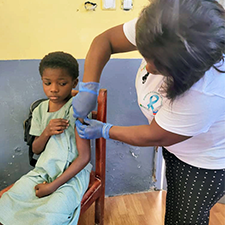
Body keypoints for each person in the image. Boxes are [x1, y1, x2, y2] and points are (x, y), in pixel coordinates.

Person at [72, 0, 225, 224]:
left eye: (159, 65)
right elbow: (104, 41)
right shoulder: (163, 26)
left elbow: (156, 134)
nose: (149, 68)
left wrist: (106, 130)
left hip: (203, 163)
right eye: (145, 55)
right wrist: (89, 87)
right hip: (175, 147)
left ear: (187, 69)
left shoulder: (207, 93)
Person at [0, 51, 92, 225]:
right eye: (47, 83)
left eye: (62, 83)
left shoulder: (77, 109)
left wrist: (52, 186)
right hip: (43, 171)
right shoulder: (40, 110)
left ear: (74, 83)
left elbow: (84, 157)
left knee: (49, 217)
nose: (54, 89)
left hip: (72, 175)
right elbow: (36, 149)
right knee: (7, 202)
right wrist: (46, 132)